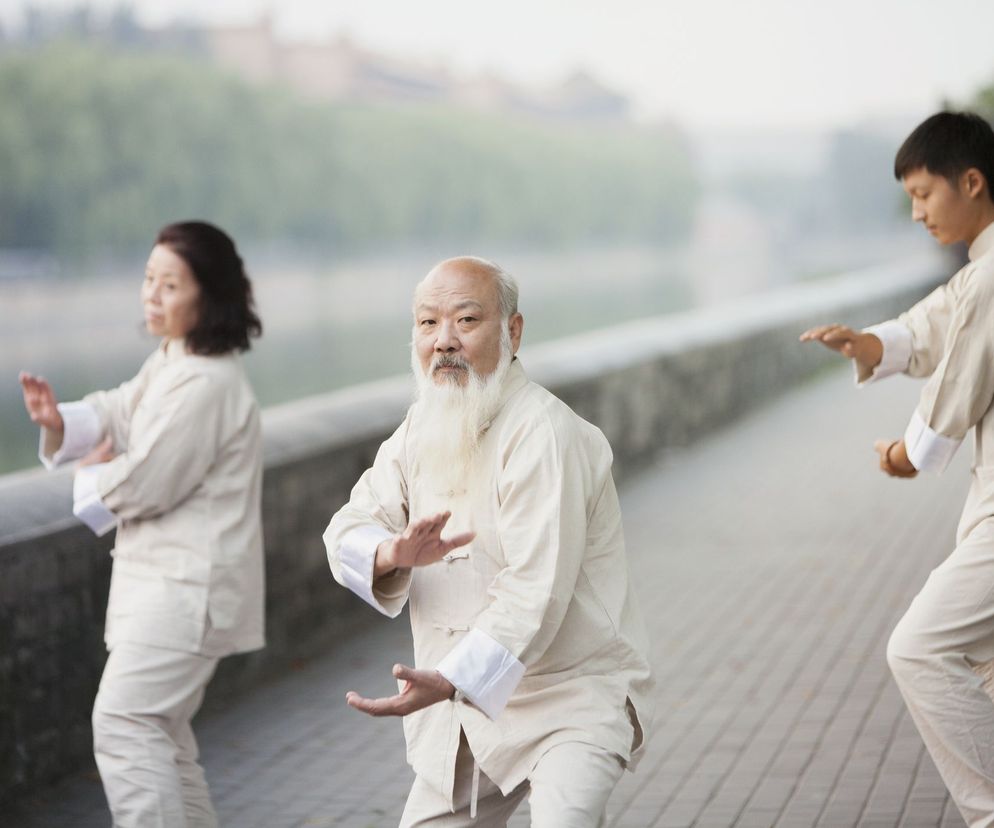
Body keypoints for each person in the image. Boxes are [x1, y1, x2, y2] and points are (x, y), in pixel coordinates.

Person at [323, 256, 653, 827]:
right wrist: (391, 553)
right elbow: (347, 527)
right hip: (463, 710)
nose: (444, 342)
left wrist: (453, 676)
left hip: (568, 698)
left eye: (466, 321)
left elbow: (535, 590)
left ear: (512, 331)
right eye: (428, 324)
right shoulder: (417, 431)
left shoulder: (543, 432)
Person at [19, 221, 265, 828]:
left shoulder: (205, 382)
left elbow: (147, 481)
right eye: (149, 280)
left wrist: (90, 477)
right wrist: (61, 420)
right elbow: (121, 409)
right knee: (163, 738)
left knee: (126, 726)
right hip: (173, 590)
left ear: (208, 295)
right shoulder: (179, 361)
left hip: (184, 591)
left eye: (170, 284)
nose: (152, 295)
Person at [800, 111, 994, 827]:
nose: (915, 213)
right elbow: (942, 320)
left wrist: (908, 454)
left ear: (971, 182)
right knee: (980, 664)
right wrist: (871, 344)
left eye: (923, 194)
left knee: (919, 648)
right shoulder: (983, 272)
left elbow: (962, 376)